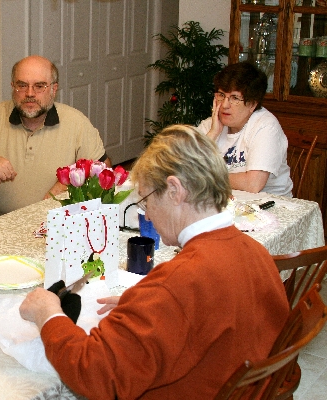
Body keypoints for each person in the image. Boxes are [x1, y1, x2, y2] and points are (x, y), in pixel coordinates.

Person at [19, 125, 289, 399]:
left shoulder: (176, 285)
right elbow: (205, 313)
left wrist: (49, 315)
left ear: (175, 190)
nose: (146, 216)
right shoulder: (256, 253)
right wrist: (145, 307)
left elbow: (97, 375)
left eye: (146, 202)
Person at [0, 55, 110, 220]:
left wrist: (67, 184)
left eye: (39, 86)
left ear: (54, 89)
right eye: (22, 85)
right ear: (13, 87)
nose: (30, 93)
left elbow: (103, 168)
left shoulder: (76, 122)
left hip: (52, 224)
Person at [197, 62, 293, 196]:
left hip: (269, 205)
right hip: (225, 201)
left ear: (252, 104)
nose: (224, 105)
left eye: (235, 98)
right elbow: (183, 170)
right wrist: (212, 134)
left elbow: (253, 184)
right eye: (221, 95)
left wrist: (206, 177)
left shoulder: (266, 126)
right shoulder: (211, 124)